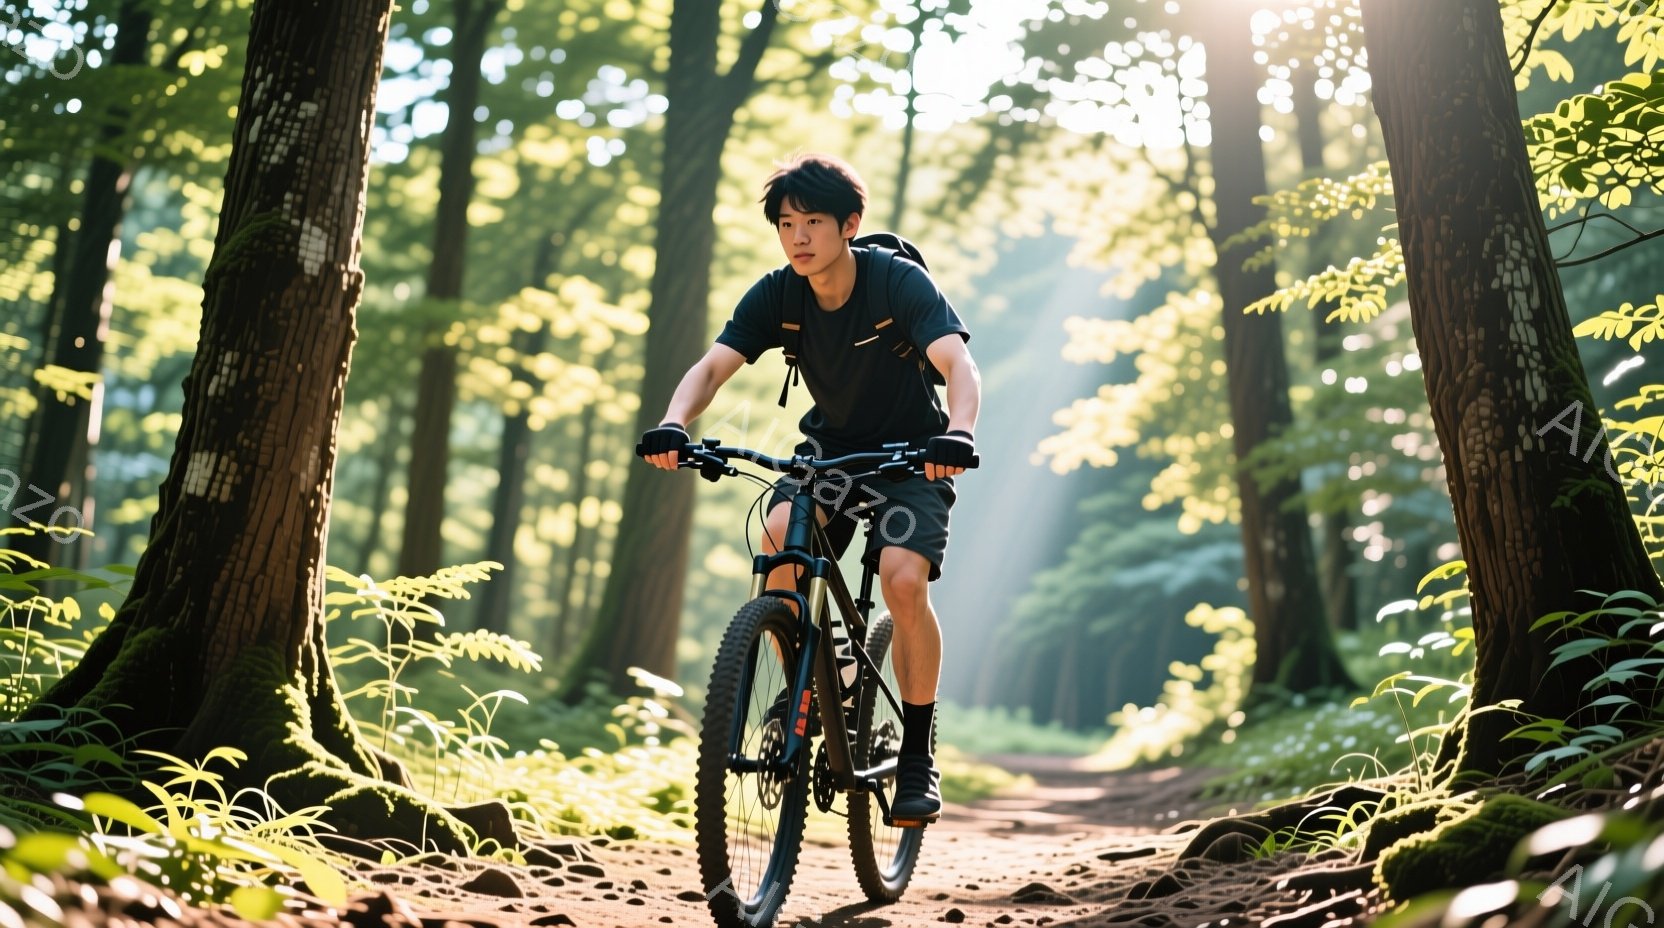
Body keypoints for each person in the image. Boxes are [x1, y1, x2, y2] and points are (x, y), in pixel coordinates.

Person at [636, 154, 981, 822]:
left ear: (849, 225)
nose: (797, 237)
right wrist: (673, 423)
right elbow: (713, 368)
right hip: (828, 456)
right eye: (786, 224)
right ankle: (804, 684)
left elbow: (956, 362)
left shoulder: (896, 285)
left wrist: (958, 434)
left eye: (813, 222)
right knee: (775, 542)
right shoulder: (777, 293)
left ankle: (916, 751)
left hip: (913, 457)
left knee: (903, 581)